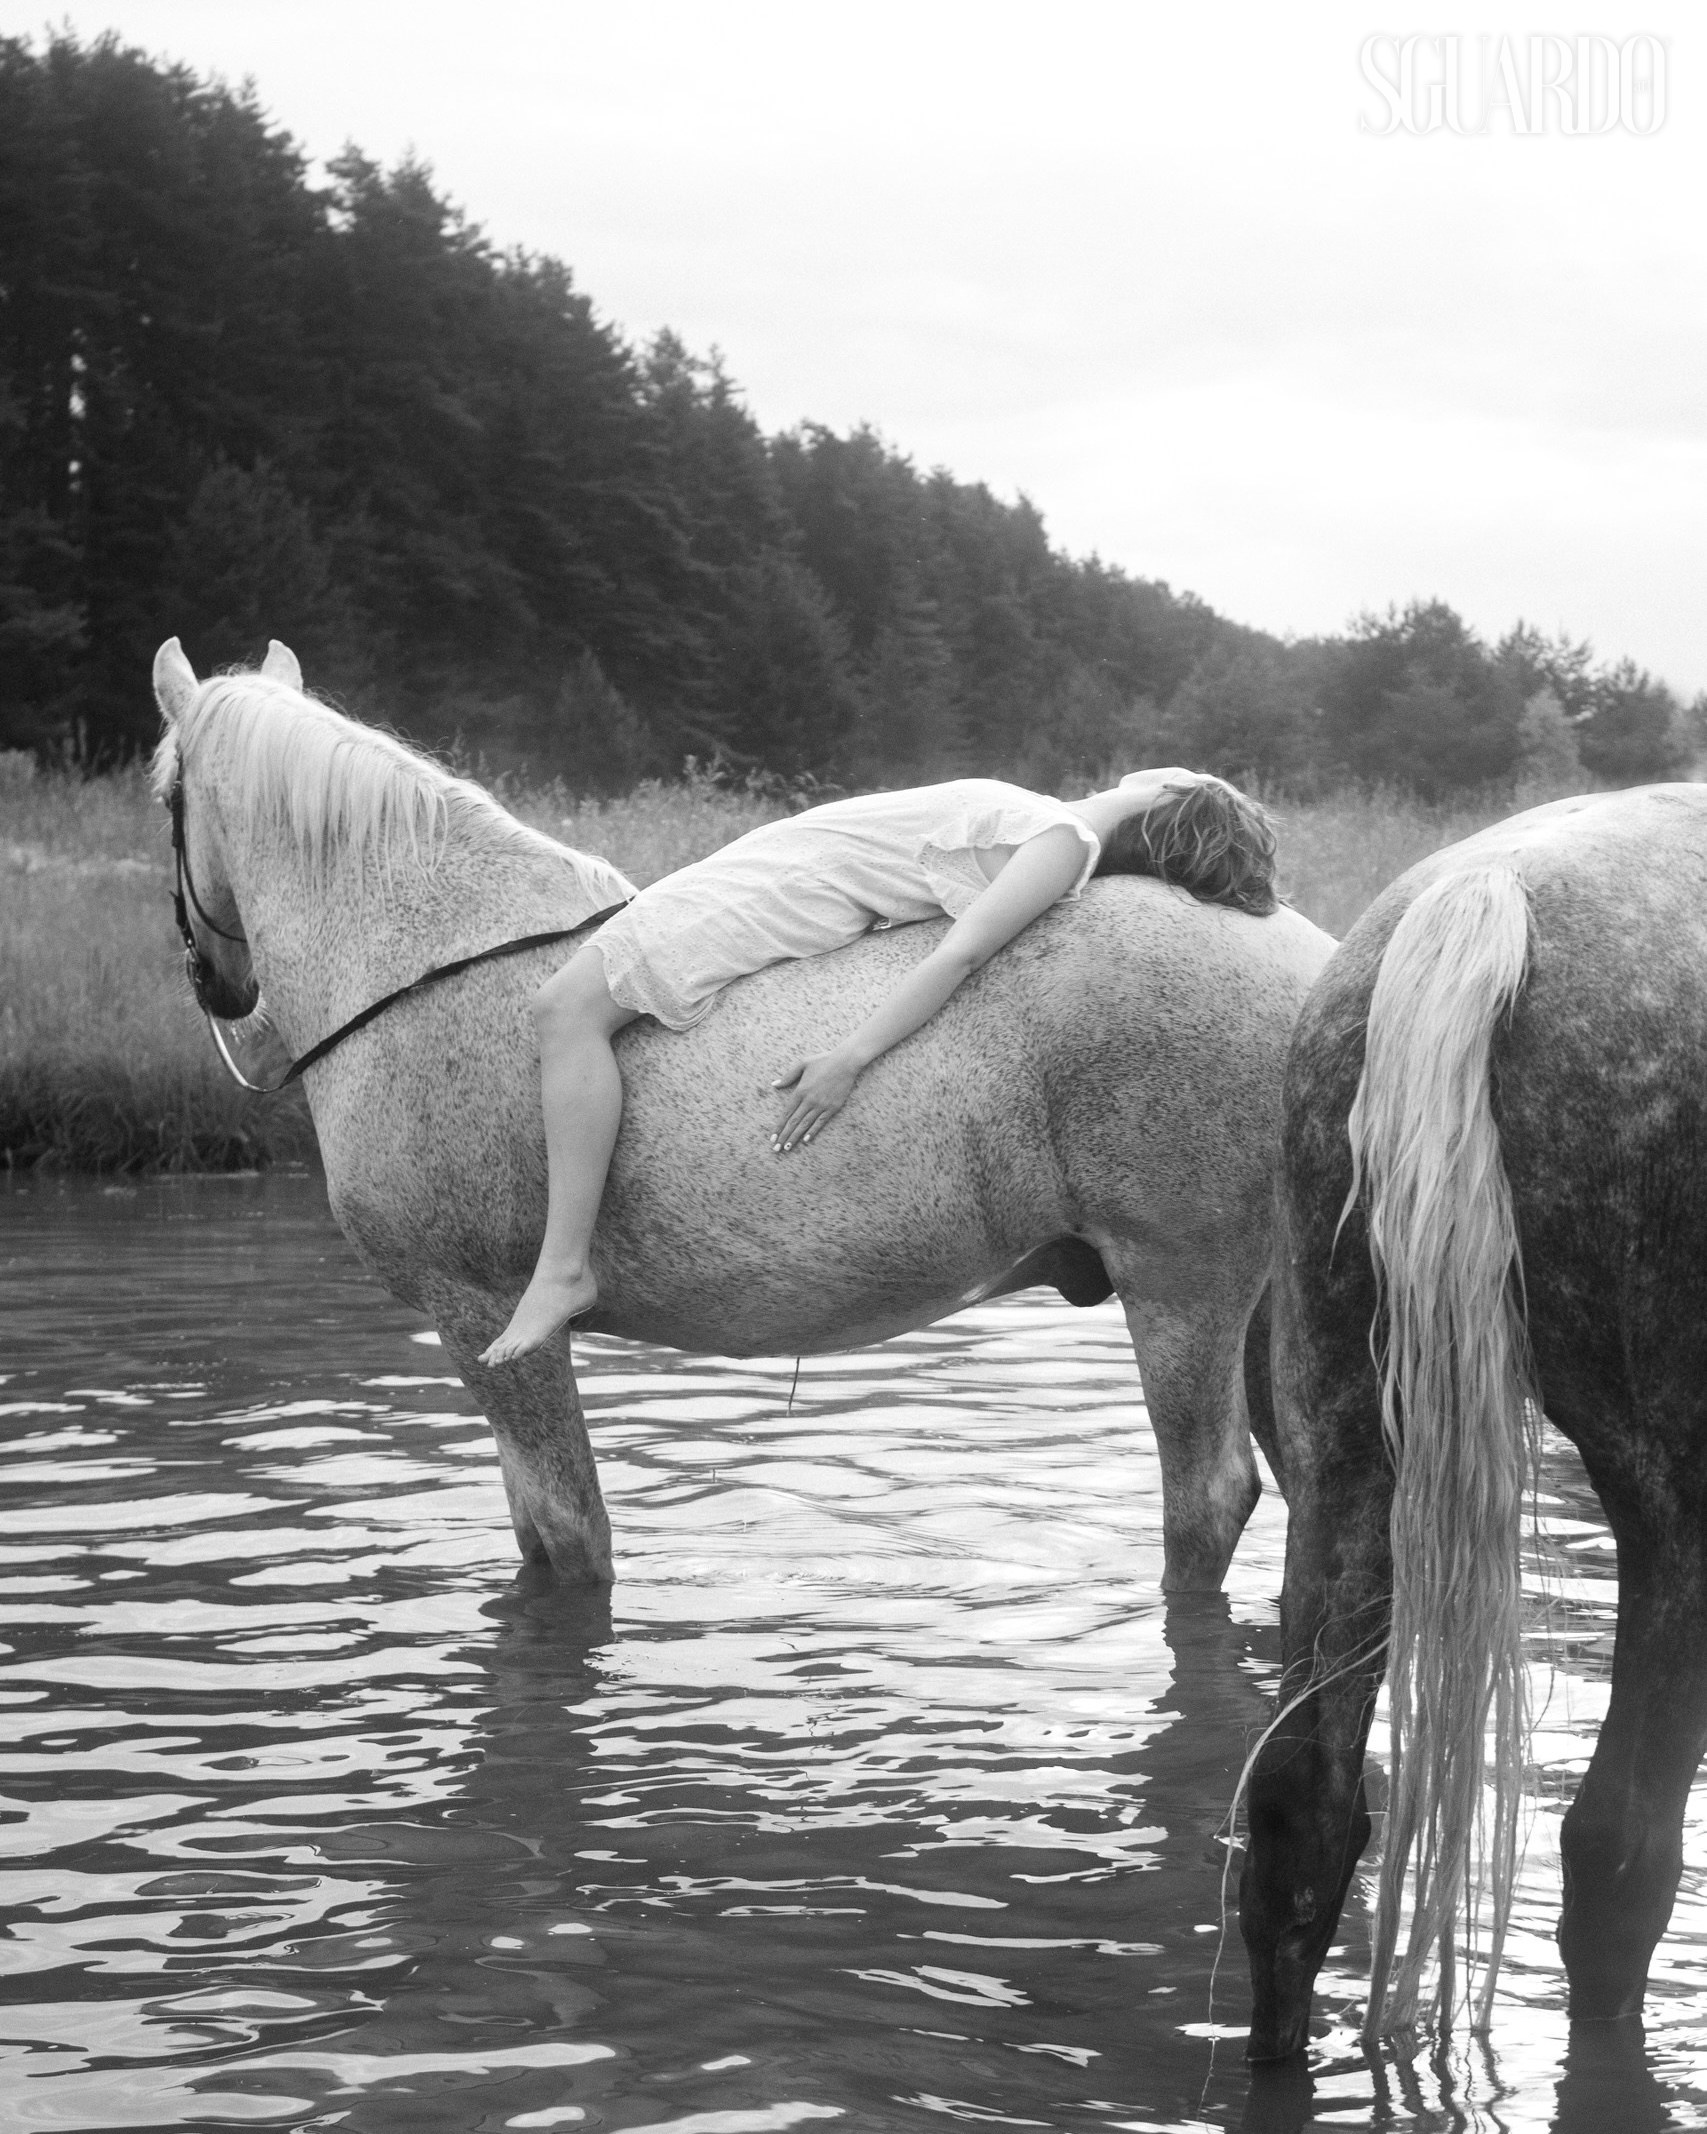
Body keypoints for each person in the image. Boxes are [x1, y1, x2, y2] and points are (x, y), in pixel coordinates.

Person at [478, 767, 1277, 1366]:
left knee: (565, 1011)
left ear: (1168, 792)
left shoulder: (1062, 842)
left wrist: (849, 1058)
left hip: (775, 892)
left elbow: (964, 954)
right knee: (566, 1008)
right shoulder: (1047, 821)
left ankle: (562, 1268)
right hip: (769, 872)